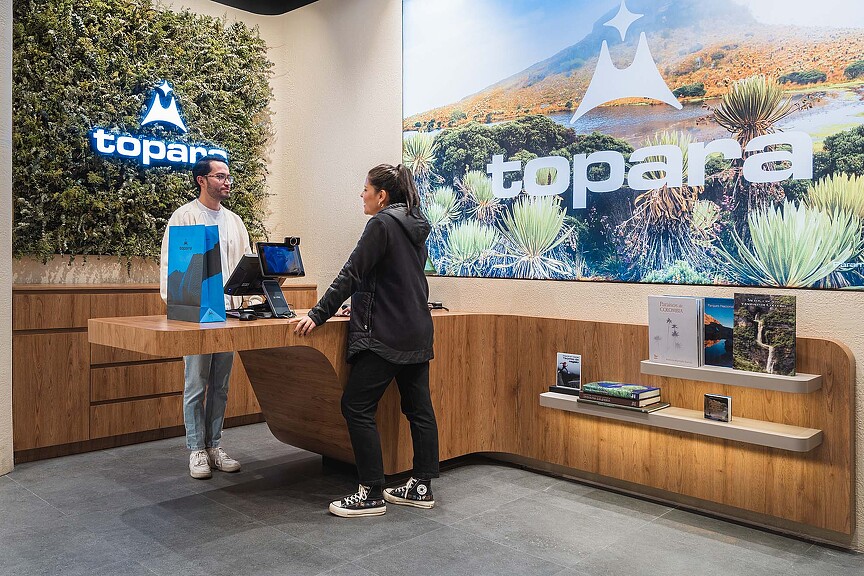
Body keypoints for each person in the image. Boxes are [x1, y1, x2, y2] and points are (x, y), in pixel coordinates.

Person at [294, 163, 439, 518]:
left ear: (382, 195)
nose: (362, 194)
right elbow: (389, 279)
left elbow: (353, 273)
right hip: (416, 329)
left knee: (356, 406)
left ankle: (371, 492)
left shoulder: (382, 224)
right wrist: (358, 304)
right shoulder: (415, 225)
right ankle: (420, 486)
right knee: (419, 410)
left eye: (366, 189)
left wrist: (318, 313)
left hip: (386, 333)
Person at [159, 155, 251, 479]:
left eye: (228, 176)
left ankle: (214, 445)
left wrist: (248, 299)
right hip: (196, 315)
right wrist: (180, 307)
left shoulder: (235, 222)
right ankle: (196, 449)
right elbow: (171, 266)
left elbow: (244, 265)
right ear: (202, 180)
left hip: (227, 314)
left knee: (221, 385)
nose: (227, 182)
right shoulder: (183, 217)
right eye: (220, 176)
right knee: (196, 383)